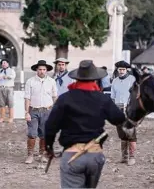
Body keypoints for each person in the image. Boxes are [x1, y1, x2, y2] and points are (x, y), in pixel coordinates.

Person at [45, 60, 126, 188]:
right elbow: (119, 118)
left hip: (72, 154)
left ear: (77, 79)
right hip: (95, 155)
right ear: (95, 79)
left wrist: (48, 147)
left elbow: (50, 127)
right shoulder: (102, 98)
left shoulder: (65, 99)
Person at [24, 60, 57, 164]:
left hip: (47, 110)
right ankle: (30, 155)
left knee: (44, 134)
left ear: (46, 70)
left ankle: (42, 154)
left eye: (44, 69)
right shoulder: (30, 81)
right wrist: (26, 112)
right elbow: (27, 97)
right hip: (33, 110)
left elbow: (55, 96)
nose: (42, 71)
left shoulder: (52, 81)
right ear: (36, 70)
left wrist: (54, 109)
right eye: (40, 69)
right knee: (32, 133)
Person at [111, 60, 137, 166]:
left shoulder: (132, 80)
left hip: (129, 108)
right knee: (121, 133)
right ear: (117, 70)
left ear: (126, 70)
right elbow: (112, 97)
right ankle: (124, 156)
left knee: (130, 133)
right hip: (118, 108)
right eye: (120, 69)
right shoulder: (115, 81)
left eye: (123, 69)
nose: (121, 71)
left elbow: (136, 94)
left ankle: (132, 157)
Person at [0, 59, 16, 123]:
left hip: (9, 88)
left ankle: (11, 117)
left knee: (10, 103)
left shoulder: (11, 70)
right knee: (2, 103)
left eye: (5, 63)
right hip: (1, 88)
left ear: (7, 64)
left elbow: (13, 77)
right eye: (2, 63)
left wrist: (5, 76)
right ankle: (2, 118)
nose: (3, 64)